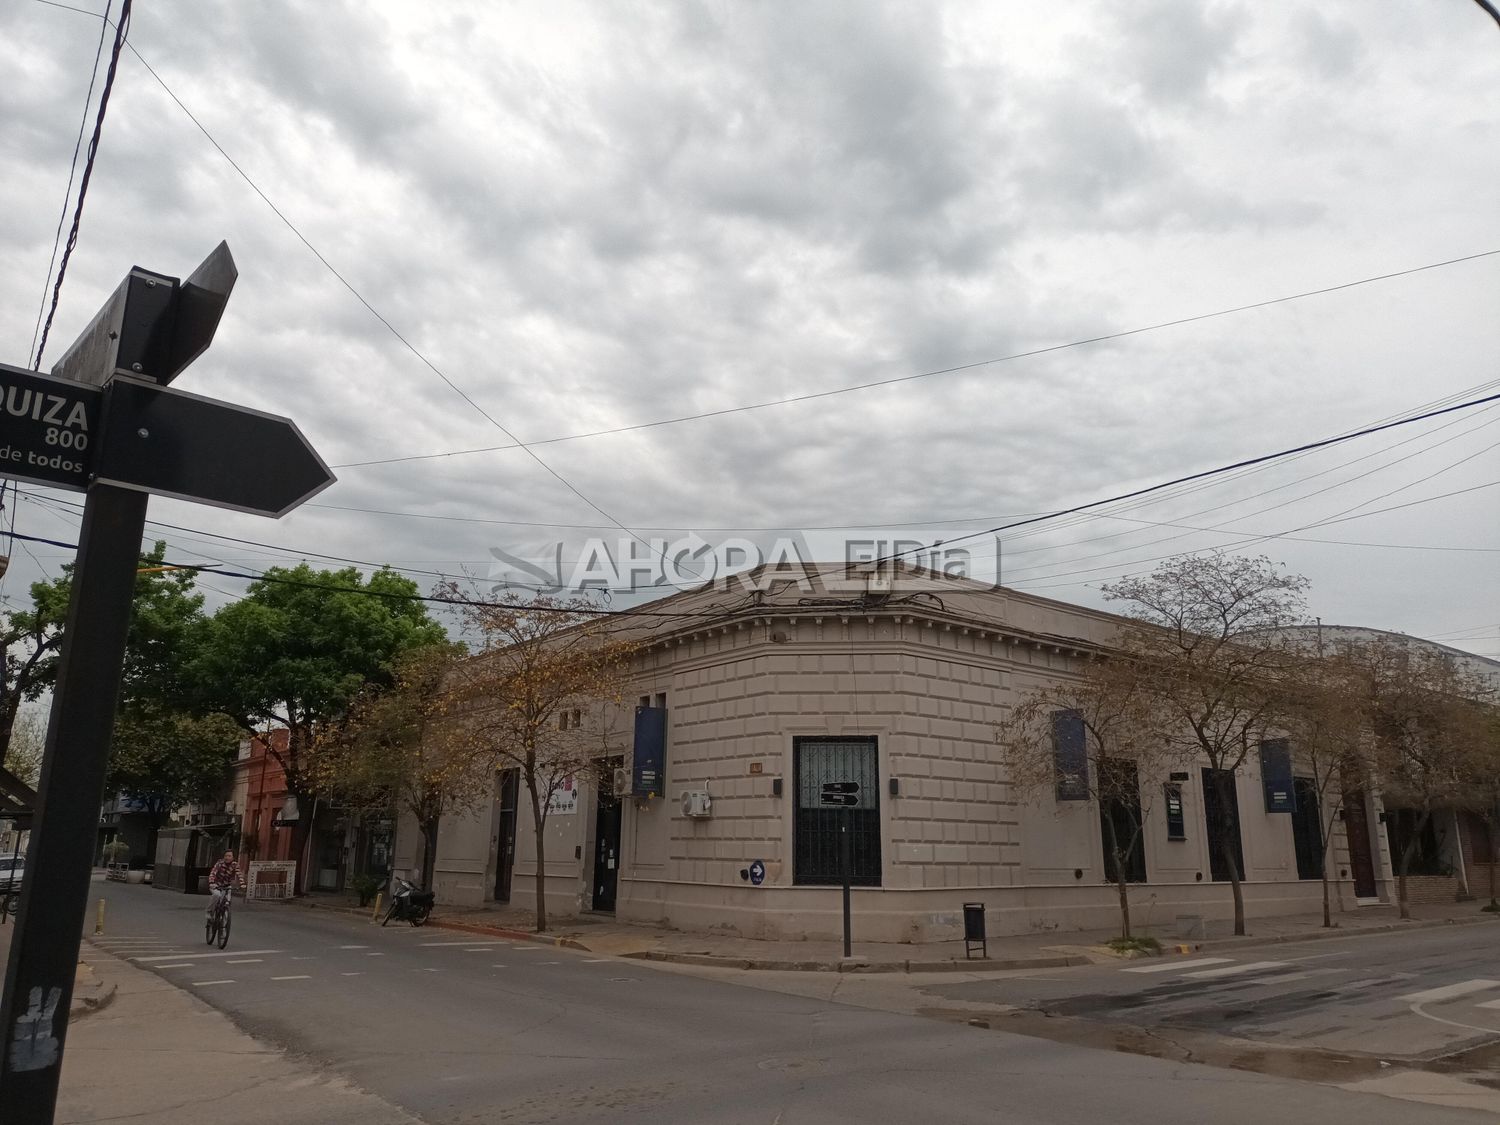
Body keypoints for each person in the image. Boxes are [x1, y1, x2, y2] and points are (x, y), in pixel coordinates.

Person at [205, 849, 241, 920]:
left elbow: (239, 874)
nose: (227, 857)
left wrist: (242, 884)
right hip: (216, 885)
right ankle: (209, 911)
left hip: (227, 886)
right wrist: (211, 882)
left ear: (233, 858)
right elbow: (213, 872)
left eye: (229, 856)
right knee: (217, 895)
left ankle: (224, 916)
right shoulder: (219, 863)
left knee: (227, 900)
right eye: (226, 856)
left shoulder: (234, 865)